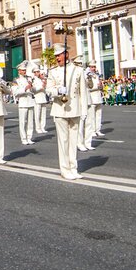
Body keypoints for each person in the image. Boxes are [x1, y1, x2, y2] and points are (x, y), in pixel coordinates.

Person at [45, 45, 89, 180]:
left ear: (67, 55)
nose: (57, 58)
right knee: (63, 141)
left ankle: (73, 167)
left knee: (73, 140)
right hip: (59, 108)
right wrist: (58, 91)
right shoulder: (53, 72)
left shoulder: (78, 70)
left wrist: (84, 110)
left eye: (59, 55)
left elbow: (83, 92)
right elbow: (48, 90)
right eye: (56, 56)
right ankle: (65, 169)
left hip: (74, 108)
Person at [12, 62, 36, 145]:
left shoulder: (29, 78)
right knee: (23, 122)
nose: (24, 71)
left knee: (30, 122)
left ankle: (29, 137)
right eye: (22, 70)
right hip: (23, 102)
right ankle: (24, 138)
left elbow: (34, 90)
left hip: (30, 101)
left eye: (25, 70)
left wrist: (32, 87)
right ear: (19, 71)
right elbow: (15, 92)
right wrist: (25, 89)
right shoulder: (16, 80)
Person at [83, 61, 104, 149]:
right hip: (91, 96)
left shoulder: (97, 74)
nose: (93, 68)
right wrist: (97, 86)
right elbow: (89, 87)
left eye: (94, 67)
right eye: (92, 67)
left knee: (98, 115)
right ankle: (92, 131)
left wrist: (101, 86)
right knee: (91, 117)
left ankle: (97, 129)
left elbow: (100, 85)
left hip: (98, 96)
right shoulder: (87, 74)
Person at [31, 64, 48, 134]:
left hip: (43, 97)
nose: (37, 73)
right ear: (33, 73)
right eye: (35, 72)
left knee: (43, 114)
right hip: (37, 98)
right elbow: (33, 89)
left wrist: (44, 82)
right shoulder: (32, 80)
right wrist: (41, 87)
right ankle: (38, 128)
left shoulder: (42, 79)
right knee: (37, 114)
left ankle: (42, 127)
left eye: (38, 72)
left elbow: (46, 87)